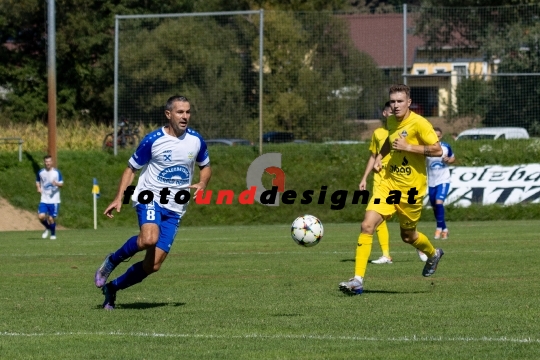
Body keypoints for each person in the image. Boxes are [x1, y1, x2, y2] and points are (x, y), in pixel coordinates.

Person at [94, 95, 212, 310]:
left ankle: (112, 288)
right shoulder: (153, 140)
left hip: (175, 208)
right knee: (149, 238)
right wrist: (119, 196)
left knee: (153, 265)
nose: (185, 116)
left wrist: (203, 183)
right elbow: (131, 168)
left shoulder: (196, 140)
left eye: (188, 112)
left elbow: (206, 166)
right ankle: (112, 261)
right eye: (180, 112)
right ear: (168, 114)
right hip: (149, 197)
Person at [339, 84, 444, 295]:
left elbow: (437, 150)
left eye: (400, 101)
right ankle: (357, 280)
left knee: (408, 236)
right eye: (393, 102)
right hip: (388, 185)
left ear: (409, 102)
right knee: (367, 225)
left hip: (412, 191)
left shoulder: (420, 124)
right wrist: (379, 157)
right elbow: (389, 140)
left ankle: (433, 254)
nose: (395, 106)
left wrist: (409, 147)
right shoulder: (391, 120)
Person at [359, 101, 392, 264]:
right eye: (391, 111)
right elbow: (373, 156)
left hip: (396, 180)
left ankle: (420, 246)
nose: (394, 113)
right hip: (379, 181)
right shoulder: (378, 133)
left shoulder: (402, 132)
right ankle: (386, 254)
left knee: (406, 217)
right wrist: (364, 177)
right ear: (385, 113)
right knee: (376, 217)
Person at [426, 127, 455, 239]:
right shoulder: (427, 148)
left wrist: (449, 160)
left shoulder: (446, 147)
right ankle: (445, 229)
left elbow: (452, 158)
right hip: (431, 181)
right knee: (435, 207)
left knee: (439, 202)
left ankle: (438, 229)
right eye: (434, 135)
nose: (436, 138)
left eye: (438, 136)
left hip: (443, 180)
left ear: (441, 136)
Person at [36, 155, 63, 240]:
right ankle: (47, 227)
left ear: (52, 162)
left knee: (51, 218)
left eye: (49, 161)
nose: (48, 163)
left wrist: (57, 184)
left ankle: (53, 234)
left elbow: (61, 184)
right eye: (46, 161)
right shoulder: (41, 172)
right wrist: (38, 188)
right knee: (41, 217)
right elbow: (37, 181)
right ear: (44, 162)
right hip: (44, 199)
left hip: (54, 200)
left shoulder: (56, 172)